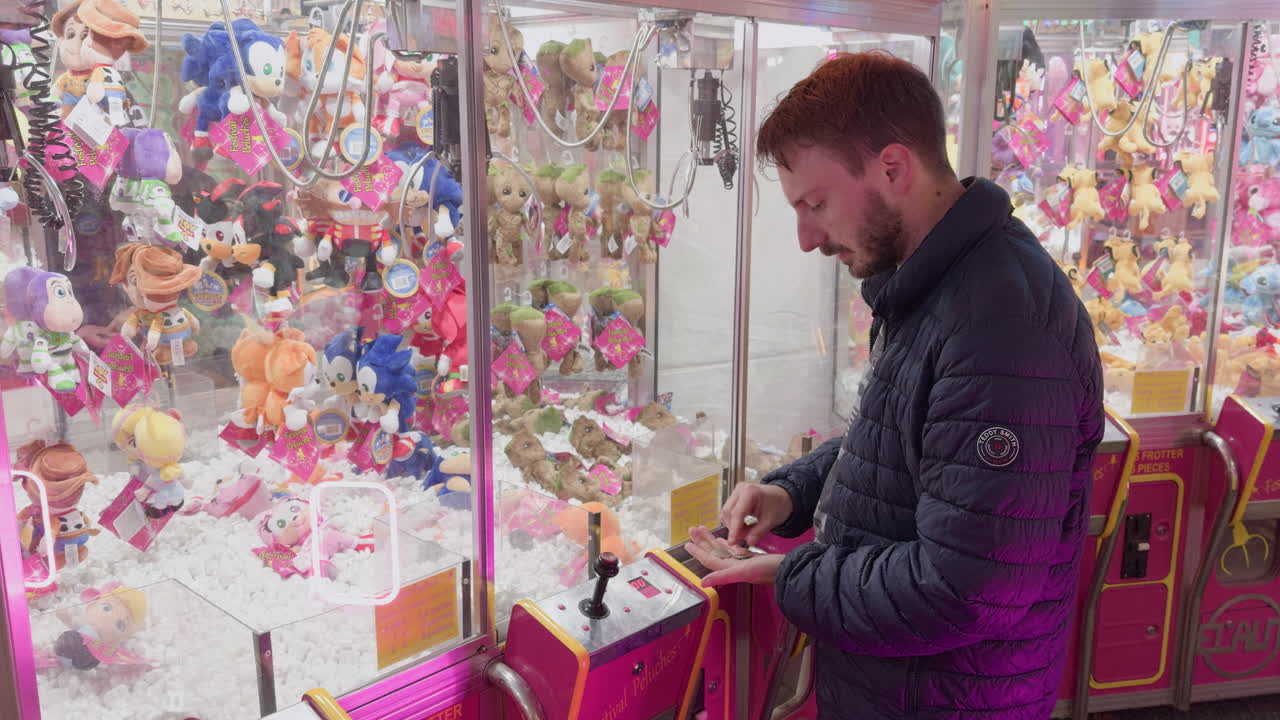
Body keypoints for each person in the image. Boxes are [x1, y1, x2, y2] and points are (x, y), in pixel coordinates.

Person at [684, 52, 1104, 719]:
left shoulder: (999, 325)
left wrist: (794, 576)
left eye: (816, 204)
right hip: (901, 684)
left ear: (892, 169)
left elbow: (966, 590)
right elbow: (905, 442)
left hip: (947, 697)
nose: (805, 238)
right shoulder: (935, 284)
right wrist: (788, 494)